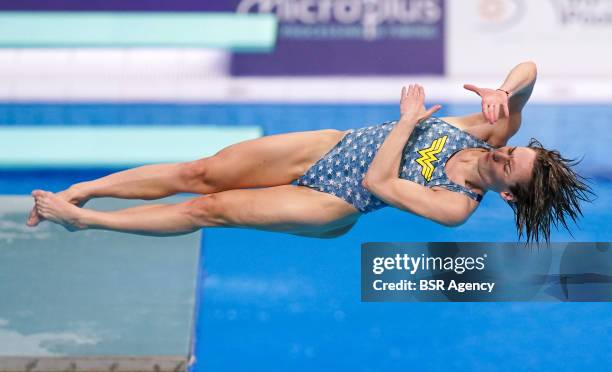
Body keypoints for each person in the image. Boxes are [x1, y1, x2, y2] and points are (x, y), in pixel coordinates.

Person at [26, 61, 592, 242]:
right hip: (329, 148)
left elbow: (379, 183)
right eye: (512, 151)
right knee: (201, 172)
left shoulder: (455, 207)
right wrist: (503, 89)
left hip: (333, 202)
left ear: (509, 191)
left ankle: (83, 220)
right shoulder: (489, 129)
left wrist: (405, 124)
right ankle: (88, 188)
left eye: (508, 166)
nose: (503, 153)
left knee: (210, 209)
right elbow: (530, 72)